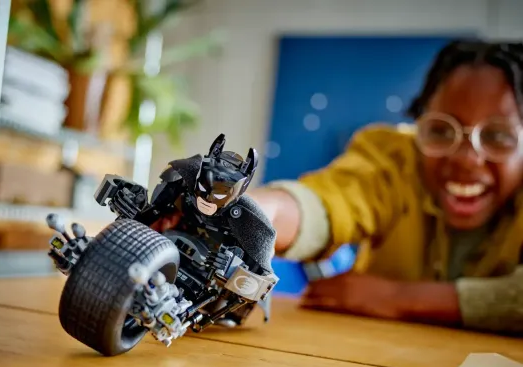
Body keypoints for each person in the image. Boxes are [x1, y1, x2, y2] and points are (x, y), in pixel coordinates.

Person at [156, 39, 523, 335]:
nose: (466, 159)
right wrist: (243, 210)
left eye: (498, 136)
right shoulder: (394, 158)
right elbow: (329, 202)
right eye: (441, 130)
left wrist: (397, 297)